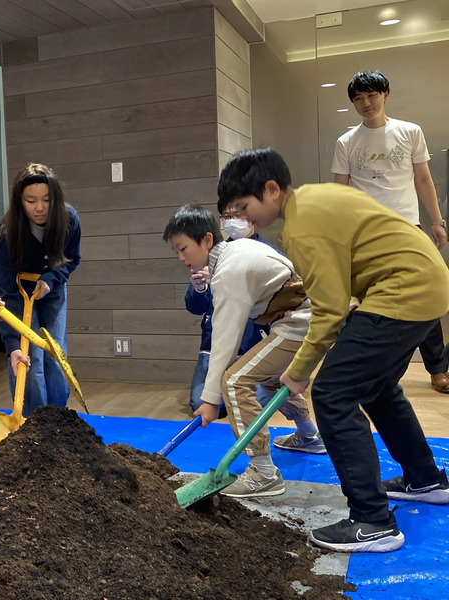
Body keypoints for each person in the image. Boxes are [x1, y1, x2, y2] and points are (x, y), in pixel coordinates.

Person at [218, 147, 449, 553]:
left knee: (332, 394)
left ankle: (372, 521)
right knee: (378, 389)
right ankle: (425, 479)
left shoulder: (303, 225)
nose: (241, 218)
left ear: (271, 190)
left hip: (402, 291)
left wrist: (300, 370)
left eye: (243, 206)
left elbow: (328, 310)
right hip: (427, 284)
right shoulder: (317, 198)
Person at [163, 205, 324, 498]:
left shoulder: (229, 271)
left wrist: (211, 400)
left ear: (207, 240)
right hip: (295, 320)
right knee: (269, 377)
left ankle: (263, 473)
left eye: (184, 248)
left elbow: (224, 341)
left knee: (236, 381)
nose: (181, 257)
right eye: (176, 251)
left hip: (298, 323)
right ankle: (309, 435)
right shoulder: (234, 254)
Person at [332, 70, 449, 394]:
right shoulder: (347, 141)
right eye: (358, 98)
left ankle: (438, 369)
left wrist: (437, 222)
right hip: (365, 231)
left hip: (407, 226)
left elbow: (423, 180)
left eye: (371, 95)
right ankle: (375, 369)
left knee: (422, 295)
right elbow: (340, 193)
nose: (365, 103)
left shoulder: (409, 132)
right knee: (372, 301)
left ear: (385, 95)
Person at [0, 163, 81, 417]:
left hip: (52, 291)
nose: (39, 208)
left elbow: (72, 258)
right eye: (31, 201)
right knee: (29, 359)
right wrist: (12, 344)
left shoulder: (69, 220)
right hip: (18, 297)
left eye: (47, 200)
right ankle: (33, 420)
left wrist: (51, 279)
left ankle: (57, 417)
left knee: (54, 353)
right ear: (20, 201)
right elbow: (5, 293)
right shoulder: (8, 236)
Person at [185, 201, 277, 416]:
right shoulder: (214, 255)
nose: (231, 220)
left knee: (250, 405)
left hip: (254, 347)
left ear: (252, 218)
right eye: (226, 216)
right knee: (201, 403)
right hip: (215, 347)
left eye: (238, 215)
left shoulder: (269, 254)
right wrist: (199, 288)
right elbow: (194, 307)